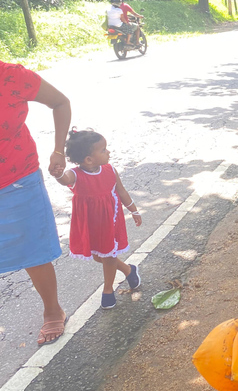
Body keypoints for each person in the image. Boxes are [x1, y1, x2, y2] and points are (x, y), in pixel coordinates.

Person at [0, 60, 71, 345]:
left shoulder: (12, 76)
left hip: (18, 179)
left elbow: (60, 102)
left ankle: (53, 310)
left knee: (33, 249)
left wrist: (58, 150)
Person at [54, 129, 142, 309]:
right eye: (103, 150)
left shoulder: (110, 170)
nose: (108, 152)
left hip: (109, 221)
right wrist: (58, 174)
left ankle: (108, 290)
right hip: (89, 223)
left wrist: (134, 210)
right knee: (97, 256)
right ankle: (128, 270)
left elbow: (121, 191)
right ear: (88, 160)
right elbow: (65, 179)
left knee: (108, 255)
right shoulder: (76, 174)